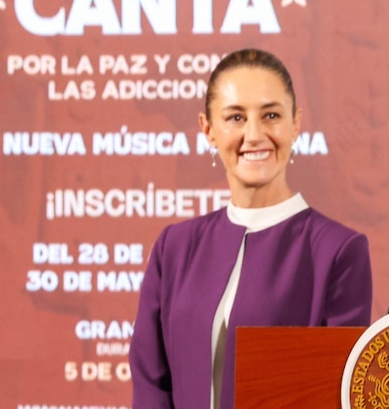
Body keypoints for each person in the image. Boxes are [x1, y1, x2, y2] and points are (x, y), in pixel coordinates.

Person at [131, 48, 373, 408]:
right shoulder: (174, 247)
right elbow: (151, 380)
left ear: (295, 124)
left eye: (271, 115)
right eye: (236, 118)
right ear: (209, 130)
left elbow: (335, 392)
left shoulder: (337, 251)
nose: (255, 134)